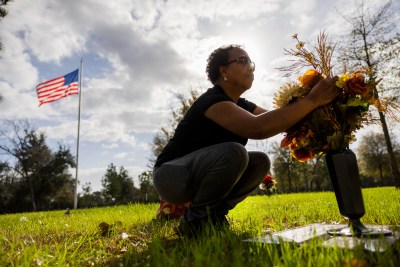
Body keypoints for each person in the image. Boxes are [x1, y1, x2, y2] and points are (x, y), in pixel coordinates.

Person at [153, 44, 339, 237]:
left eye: (251, 62)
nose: (250, 66)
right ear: (223, 70)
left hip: (198, 173)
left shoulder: (242, 105)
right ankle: (195, 221)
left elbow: (280, 121)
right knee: (235, 152)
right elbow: (258, 127)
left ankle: (214, 215)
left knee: (259, 161)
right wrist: (311, 100)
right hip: (171, 176)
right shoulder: (212, 100)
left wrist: (325, 113)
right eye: (243, 61)